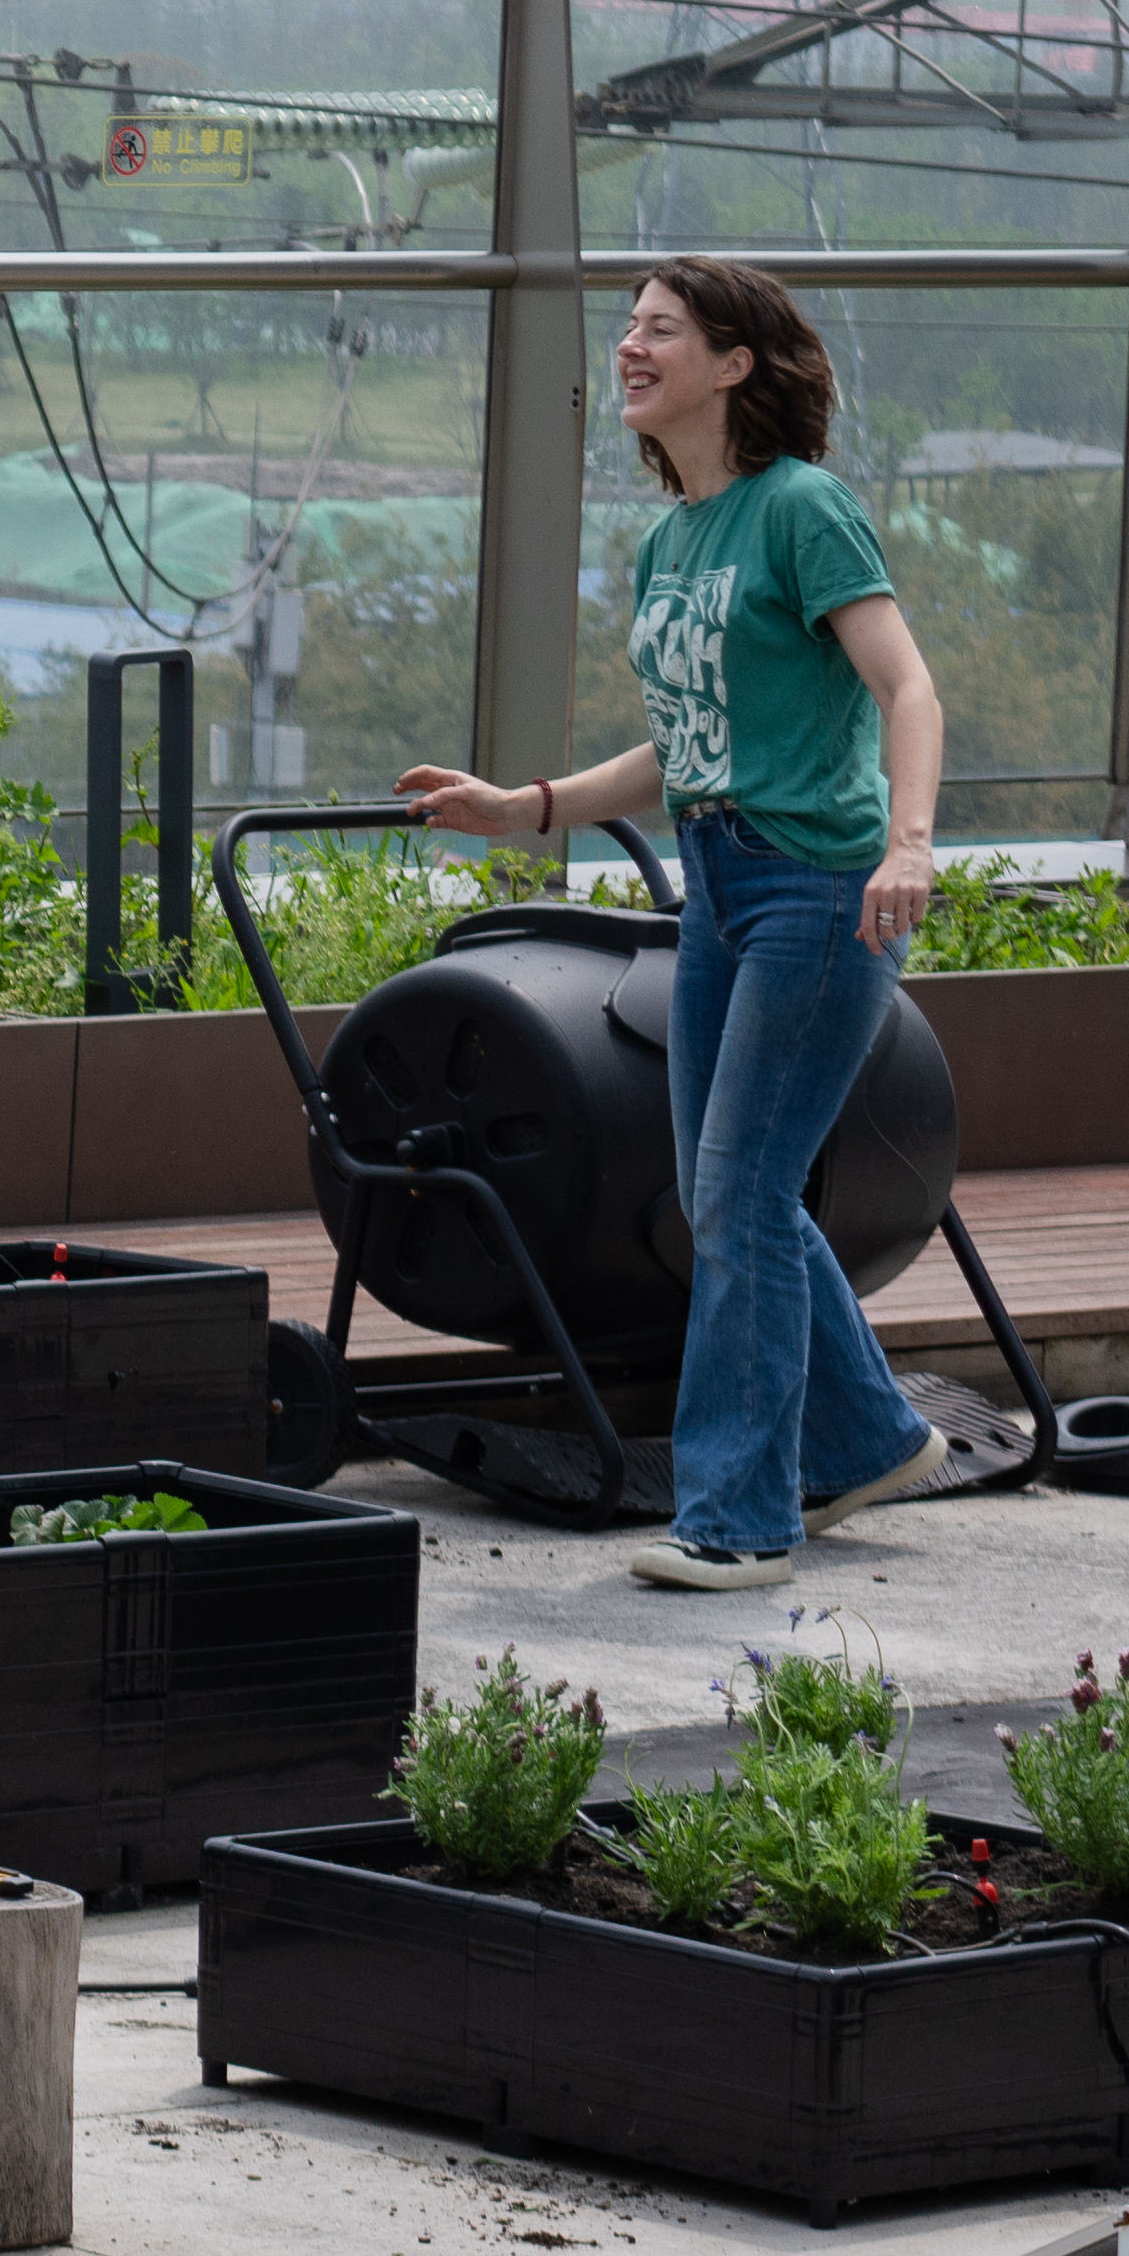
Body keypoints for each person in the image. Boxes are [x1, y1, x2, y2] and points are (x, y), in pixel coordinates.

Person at [407, 253, 966, 1594]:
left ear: (737, 364)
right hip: (715, 884)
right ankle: (875, 1439)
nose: (632, 348)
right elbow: (683, 747)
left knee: (736, 1194)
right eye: (629, 328)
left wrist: (911, 844)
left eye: (663, 330)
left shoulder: (802, 510)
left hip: (819, 890)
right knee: (731, 1200)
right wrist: (524, 806)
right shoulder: (672, 539)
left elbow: (909, 688)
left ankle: (740, 1518)